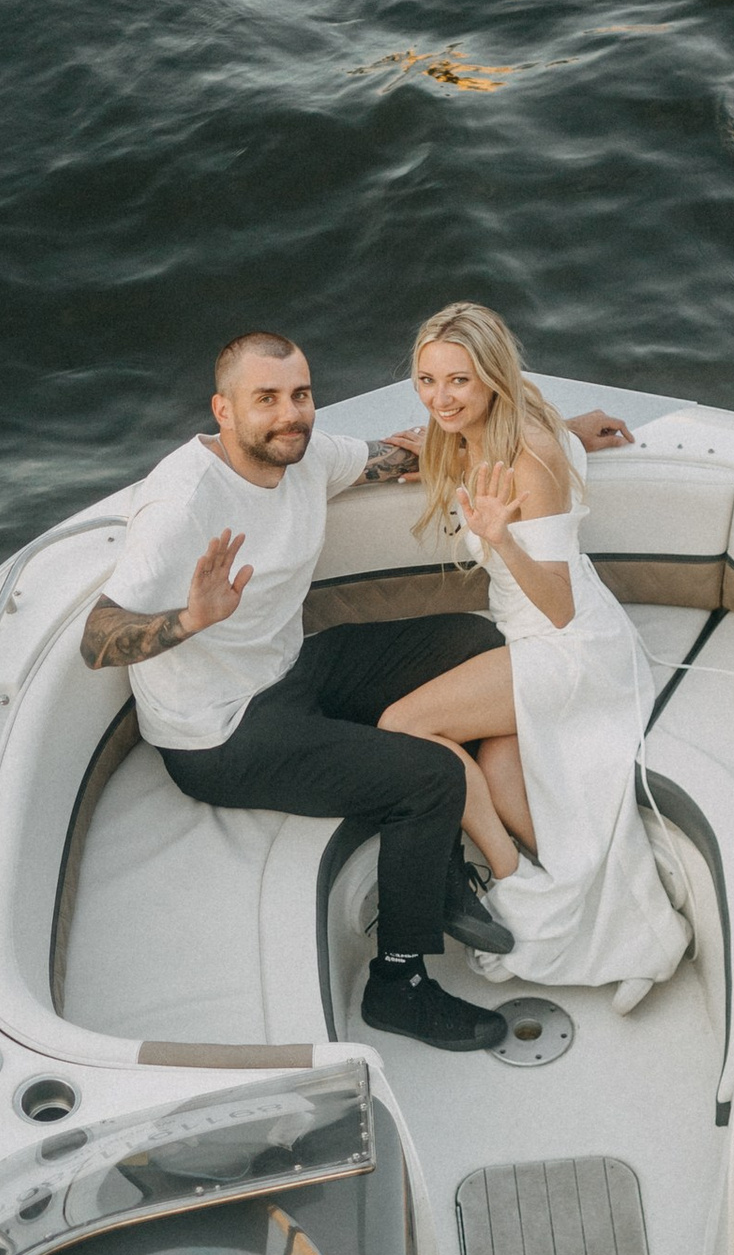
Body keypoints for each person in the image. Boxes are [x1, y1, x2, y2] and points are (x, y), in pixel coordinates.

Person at [81, 330, 634, 1052]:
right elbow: (97, 637)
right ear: (222, 409)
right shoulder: (184, 498)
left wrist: (557, 435)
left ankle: (444, 854)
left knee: (469, 642)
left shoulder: (304, 455)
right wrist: (190, 620)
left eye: (301, 396)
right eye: (266, 399)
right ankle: (398, 985)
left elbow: (412, 451)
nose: (290, 414)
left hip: (293, 673)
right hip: (221, 734)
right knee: (428, 780)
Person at [374, 303, 690, 1012]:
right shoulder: (506, 423)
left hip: (568, 643)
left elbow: (560, 605)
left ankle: (515, 886)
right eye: (427, 380)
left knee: (404, 727)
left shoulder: (528, 455)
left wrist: (503, 536)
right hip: (533, 634)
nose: (441, 398)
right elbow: (544, 431)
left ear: (492, 377)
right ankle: (634, 926)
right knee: (502, 776)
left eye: (459, 381)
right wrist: (573, 431)